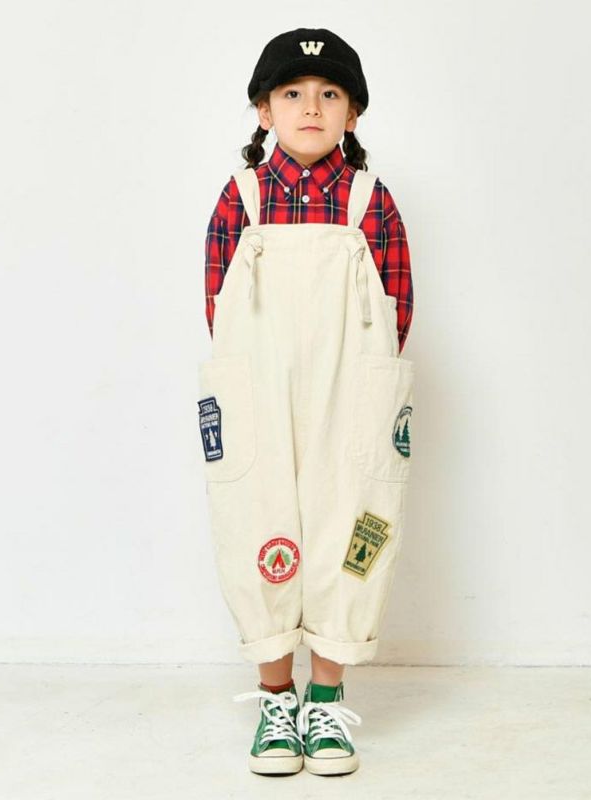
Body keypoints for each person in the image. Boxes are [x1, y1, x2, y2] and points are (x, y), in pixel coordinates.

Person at [197, 27, 415, 777]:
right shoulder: (243, 197)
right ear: (265, 111)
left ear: (353, 114)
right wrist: (252, 371)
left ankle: (325, 697)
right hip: (259, 381)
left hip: (349, 381)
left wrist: (365, 380)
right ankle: (275, 698)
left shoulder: (368, 200)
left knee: (350, 514)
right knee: (256, 513)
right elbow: (218, 300)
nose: (311, 108)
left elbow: (397, 302)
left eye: (329, 94)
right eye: (292, 94)